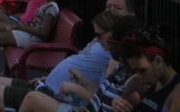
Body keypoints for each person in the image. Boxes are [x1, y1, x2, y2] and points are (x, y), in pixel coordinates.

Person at [0, 0, 136, 112]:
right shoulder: (112, 55)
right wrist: (71, 79)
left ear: (131, 15)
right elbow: (102, 90)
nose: (110, 11)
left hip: (60, 96)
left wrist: (75, 87)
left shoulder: (117, 57)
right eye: (108, 6)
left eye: (117, 8)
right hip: (53, 86)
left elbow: (103, 100)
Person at [15, 15, 145, 112]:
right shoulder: (119, 68)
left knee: (31, 98)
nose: (108, 45)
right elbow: (102, 95)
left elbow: (108, 104)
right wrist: (82, 81)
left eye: (110, 40)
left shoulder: (133, 80)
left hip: (81, 107)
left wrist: (76, 88)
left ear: (122, 44)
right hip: (77, 103)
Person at [111, 29, 180, 112]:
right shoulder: (152, 82)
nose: (139, 76)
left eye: (141, 70)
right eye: (135, 71)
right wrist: (118, 103)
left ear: (158, 61)